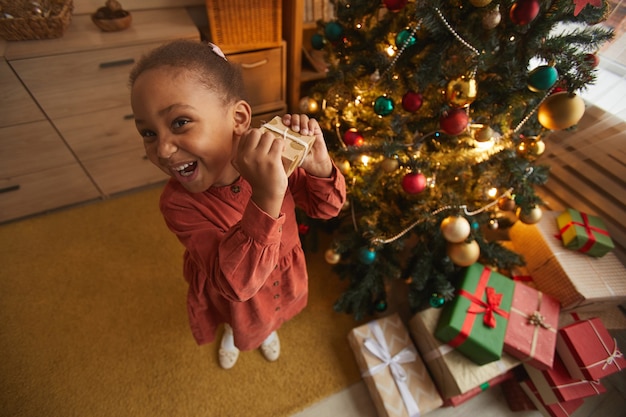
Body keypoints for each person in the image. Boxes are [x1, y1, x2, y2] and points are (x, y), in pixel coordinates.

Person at [129, 39, 346, 369]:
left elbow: (327, 209)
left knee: (271, 315)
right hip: (233, 288)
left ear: (239, 118)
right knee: (241, 318)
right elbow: (235, 285)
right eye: (147, 133)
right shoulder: (178, 204)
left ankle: (267, 330)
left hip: (283, 273)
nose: (162, 150)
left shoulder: (275, 154)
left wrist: (321, 169)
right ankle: (235, 329)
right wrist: (266, 196)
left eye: (178, 123)